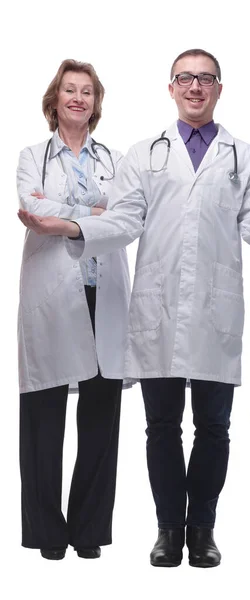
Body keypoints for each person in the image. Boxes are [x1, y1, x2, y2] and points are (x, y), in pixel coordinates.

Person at [18, 51, 250, 568]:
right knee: (160, 428)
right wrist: (75, 227)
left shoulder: (245, 157)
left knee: (215, 429)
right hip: (158, 309)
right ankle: (168, 530)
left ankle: (203, 531)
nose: (195, 86)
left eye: (205, 78)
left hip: (216, 309)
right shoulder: (144, 154)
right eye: (185, 78)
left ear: (219, 88)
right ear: (171, 88)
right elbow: (125, 219)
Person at [17, 59, 132, 560]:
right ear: (55, 99)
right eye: (70, 90)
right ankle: (46, 533)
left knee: (101, 415)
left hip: (102, 291)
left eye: (87, 91)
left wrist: (62, 217)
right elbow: (31, 207)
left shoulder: (118, 159)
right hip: (52, 294)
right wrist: (93, 216)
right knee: (43, 414)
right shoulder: (31, 156)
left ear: (96, 103)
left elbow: (129, 218)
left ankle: (88, 531)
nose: (79, 99)